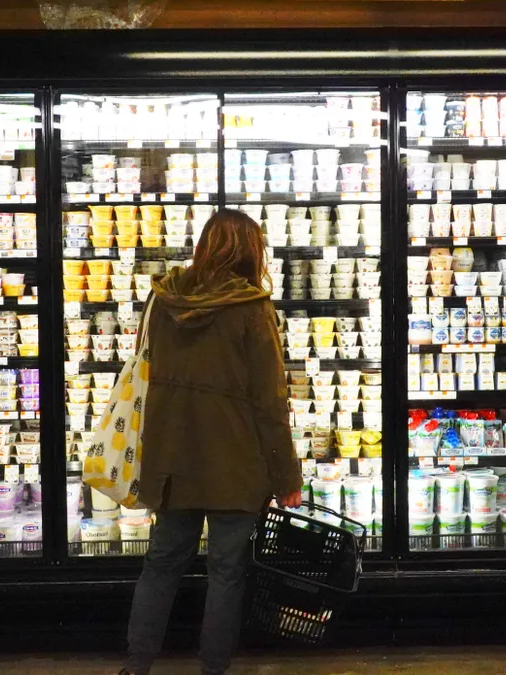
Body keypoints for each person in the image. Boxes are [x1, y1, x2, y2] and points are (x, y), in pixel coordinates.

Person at [121, 209, 304, 675]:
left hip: (172, 457)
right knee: (227, 572)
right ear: (250, 251)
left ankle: (136, 666)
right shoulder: (251, 308)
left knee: (161, 565)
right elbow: (269, 402)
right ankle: (213, 670)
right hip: (235, 462)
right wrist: (287, 476)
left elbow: (145, 372)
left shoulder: (162, 300)